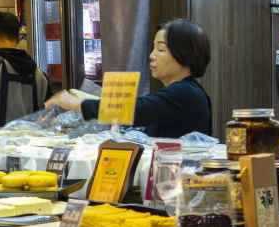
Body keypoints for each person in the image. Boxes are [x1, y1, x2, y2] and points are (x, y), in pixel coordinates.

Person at [45, 19, 213, 139]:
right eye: (153, 48)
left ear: (184, 53)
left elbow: (133, 110)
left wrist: (74, 103)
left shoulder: (185, 93)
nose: (152, 56)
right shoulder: (180, 91)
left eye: (160, 50)